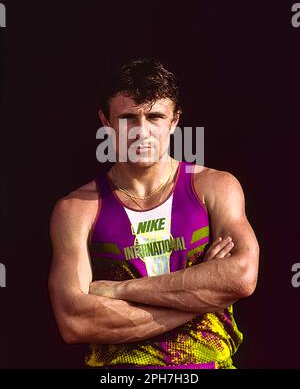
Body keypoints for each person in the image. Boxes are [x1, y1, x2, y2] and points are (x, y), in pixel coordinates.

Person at [48, 58, 259, 369]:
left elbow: (241, 278)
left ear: (174, 121)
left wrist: (119, 290)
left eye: (155, 117)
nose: (142, 132)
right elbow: (74, 322)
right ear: (105, 121)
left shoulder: (215, 187)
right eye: (128, 118)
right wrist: (204, 296)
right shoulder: (77, 209)